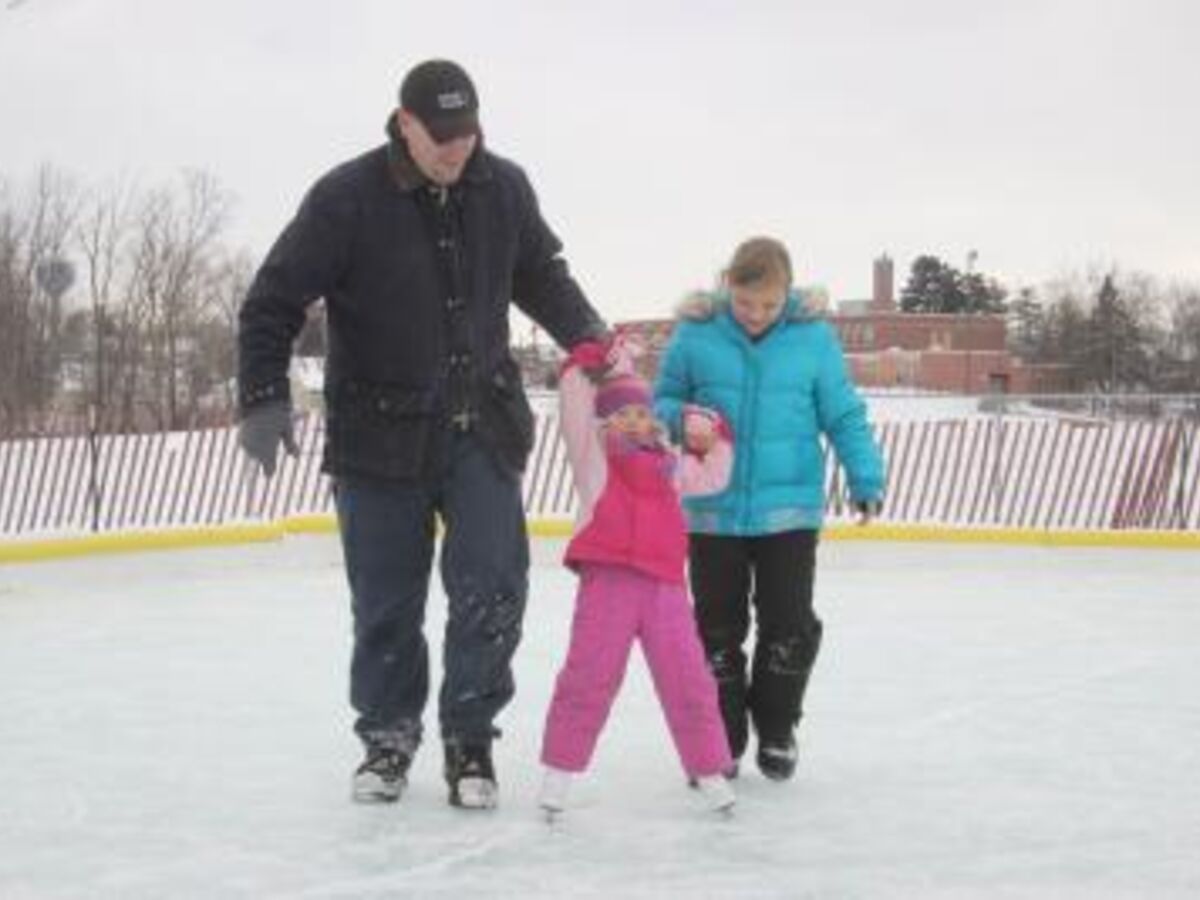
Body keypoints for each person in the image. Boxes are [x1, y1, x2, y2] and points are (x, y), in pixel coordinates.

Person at [236, 59, 607, 809]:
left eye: (466, 132)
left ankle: (470, 739)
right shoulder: (346, 197)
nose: (456, 148)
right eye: (440, 135)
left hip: (482, 427)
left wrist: (592, 339)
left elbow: (543, 274)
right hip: (378, 438)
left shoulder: (504, 187)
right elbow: (273, 300)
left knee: (493, 589)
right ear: (404, 122)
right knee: (386, 602)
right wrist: (264, 396)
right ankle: (388, 737)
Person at [653, 236, 884, 781]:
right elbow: (660, 400)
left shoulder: (813, 340)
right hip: (713, 510)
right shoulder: (697, 333)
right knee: (716, 630)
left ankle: (777, 727)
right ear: (728, 285)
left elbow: (844, 414)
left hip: (789, 512)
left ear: (788, 294)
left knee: (790, 624)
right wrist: (682, 418)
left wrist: (865, 476)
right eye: (744, 302)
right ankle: (722, 738)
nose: (755, 314)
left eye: (768, 304)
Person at [537, 336, 737, 816]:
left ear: (653, 418)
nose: (633, 420)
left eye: (641, 413)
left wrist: (719, 437)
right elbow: (575, 411)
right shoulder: (594, 459)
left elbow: (713, 475)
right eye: (621, 413)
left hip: (665, 586)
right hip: (610, 582)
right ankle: (559, 772)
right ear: (604, 420)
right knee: (589, 676)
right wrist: (579, 370)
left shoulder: (670, 466)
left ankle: (710, 769)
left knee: (688, 679)